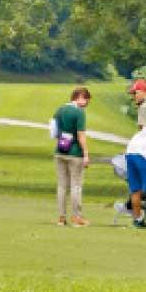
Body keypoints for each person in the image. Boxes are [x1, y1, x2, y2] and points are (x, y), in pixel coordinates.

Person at [52, 87, 91, 226]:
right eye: (86, 100)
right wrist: (86, 153)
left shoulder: (60, 110)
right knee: (76, 186)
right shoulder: (79, 112)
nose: (86, 104)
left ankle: (61, 217)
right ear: (80, 97)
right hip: (75, 153)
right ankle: (76, 217)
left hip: (60, 151)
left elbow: (54, 132)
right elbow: (81, 135)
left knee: (62, 186)